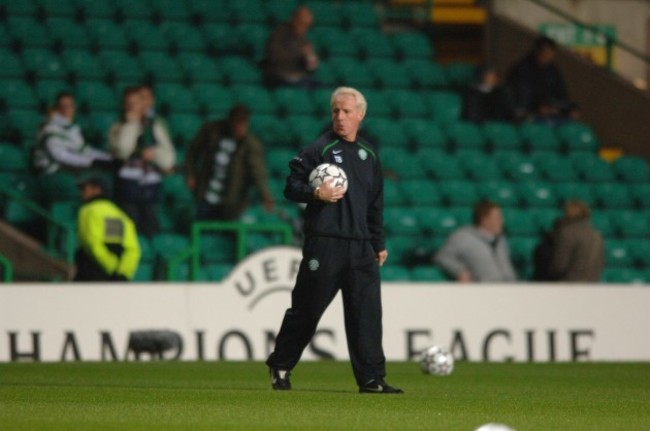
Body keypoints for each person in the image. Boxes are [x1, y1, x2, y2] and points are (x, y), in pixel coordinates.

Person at [265, 87, 403, 394]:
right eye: (335, 111)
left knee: (366, 314)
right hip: (325, 243)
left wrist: (378, 242)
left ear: (360, 116)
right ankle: (281, 364)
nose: (340, 117)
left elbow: (374, 205)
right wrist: (316, 193)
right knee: (308, 310)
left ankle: (371, 379)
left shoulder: (369, 156)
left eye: (346, 112)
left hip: (361, 247)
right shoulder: (319, 149)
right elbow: (290, 186)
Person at [185, 104, 274, 221]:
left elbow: (257, 172)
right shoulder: (211, 131)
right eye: (237, 123)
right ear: (230, 121)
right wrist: (190, 173)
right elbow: (192, 152)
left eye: (243, 124)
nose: (239, 128)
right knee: (203, 228)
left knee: (227, 232)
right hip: (206, 194)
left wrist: (265, 195)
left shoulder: (250, 144)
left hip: (233, 201)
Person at [108, 85, 176, 237]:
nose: (132, 107)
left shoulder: (155, 126)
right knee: (122, 233)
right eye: (128, 103)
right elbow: (122, 151)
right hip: (125, 190)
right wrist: (131, 125)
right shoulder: (118, 127)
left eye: (136, 102)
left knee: (150, 231)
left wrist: (155, 153)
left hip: (150, 190)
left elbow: (169, 160)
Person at [74, 176, 141, 282]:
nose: (81, 192)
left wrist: (111, 268)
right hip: (118, 275)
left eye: (84, 188)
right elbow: (133, 249)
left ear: (97, 190)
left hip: (91, 272)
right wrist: (123, 273)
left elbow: (91, 244)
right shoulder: (121, 215)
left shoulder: (87, 210)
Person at [434, 201, 517, 282]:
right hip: (484, 290)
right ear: (484, 220)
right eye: (497, 218)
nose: (501, 221)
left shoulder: (501, 240)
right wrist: (459, 271)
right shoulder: (463, 236)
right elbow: (442, 257)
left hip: (510, 287)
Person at [32, 92, 112, 175]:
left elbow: (85, 150)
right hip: (50, 173)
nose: (67, 109)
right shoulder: (49, 128)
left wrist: (109, 159)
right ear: (56, 108)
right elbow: (61, 157)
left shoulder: (72, 128)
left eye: (70, 106)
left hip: (67, 171)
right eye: (63, 106)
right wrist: (93, 162)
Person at [506, 36, 579, 123]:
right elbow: (521, 96)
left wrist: (568, 108)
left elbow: (562, 93)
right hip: (528, 114)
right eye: (545, 53)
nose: (548, 57)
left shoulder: (553, 71)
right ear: (537, 52)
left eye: (551, 54)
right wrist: (537, 108)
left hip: (552, 112)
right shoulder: (522, 69)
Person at [262, 5, 320, 88]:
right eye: (302, 23)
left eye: (307, 25)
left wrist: (310, 58)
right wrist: (299, 53)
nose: (304, 28)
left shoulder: (303, 39)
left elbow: (311, 68)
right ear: (295, 20)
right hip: (280, 76)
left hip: (299, 76)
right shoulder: (279, 34)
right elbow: (275, 57)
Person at [547, 200, 604, 282]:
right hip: (592, 284)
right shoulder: (597, 235)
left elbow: (559, 266)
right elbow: (600, 264)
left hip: (570, 285)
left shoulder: (567, 233)